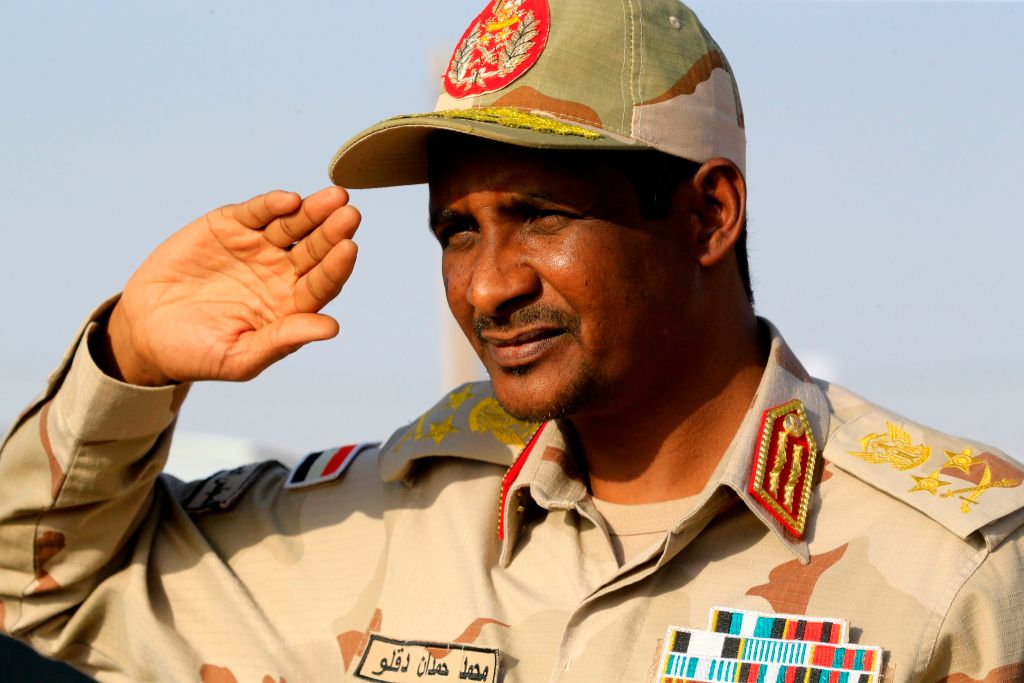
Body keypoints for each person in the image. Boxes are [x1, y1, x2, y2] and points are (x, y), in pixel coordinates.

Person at [1, 0, 1021, 681]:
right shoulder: (387, 526)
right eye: (457, 230)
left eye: (540, 214)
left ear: (708, 214)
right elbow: (37, 593)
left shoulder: (960, 565)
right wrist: (125, 362)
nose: (488, 284)